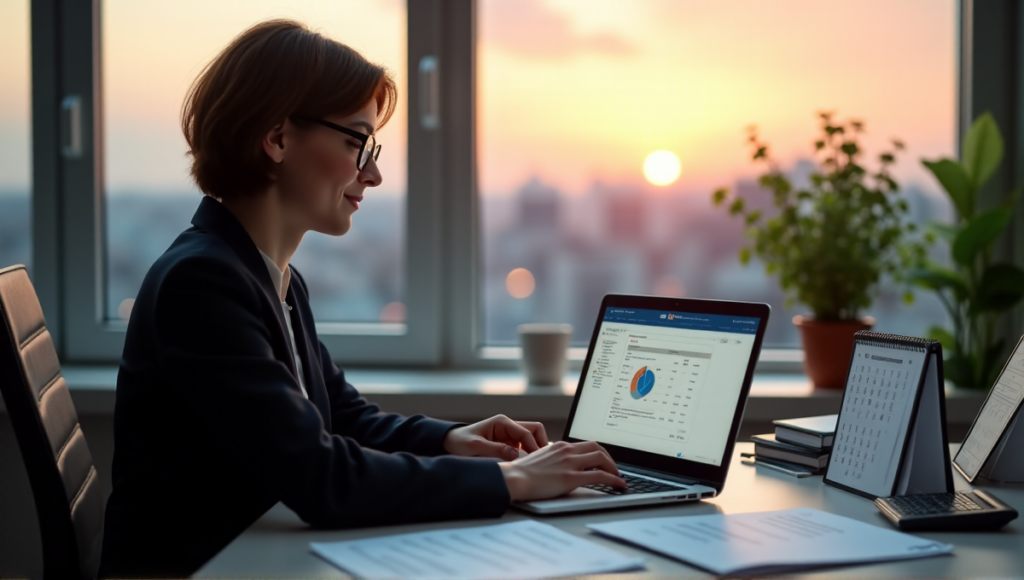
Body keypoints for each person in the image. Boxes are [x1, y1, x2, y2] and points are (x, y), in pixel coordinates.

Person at [98, 19, 624, 578]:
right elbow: (322, 479)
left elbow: (342, 418)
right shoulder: (202, 284)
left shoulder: (272, 278)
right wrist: (512, 479)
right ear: (276, 138)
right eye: (356, 143)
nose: (371, 173)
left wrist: (451, 440)